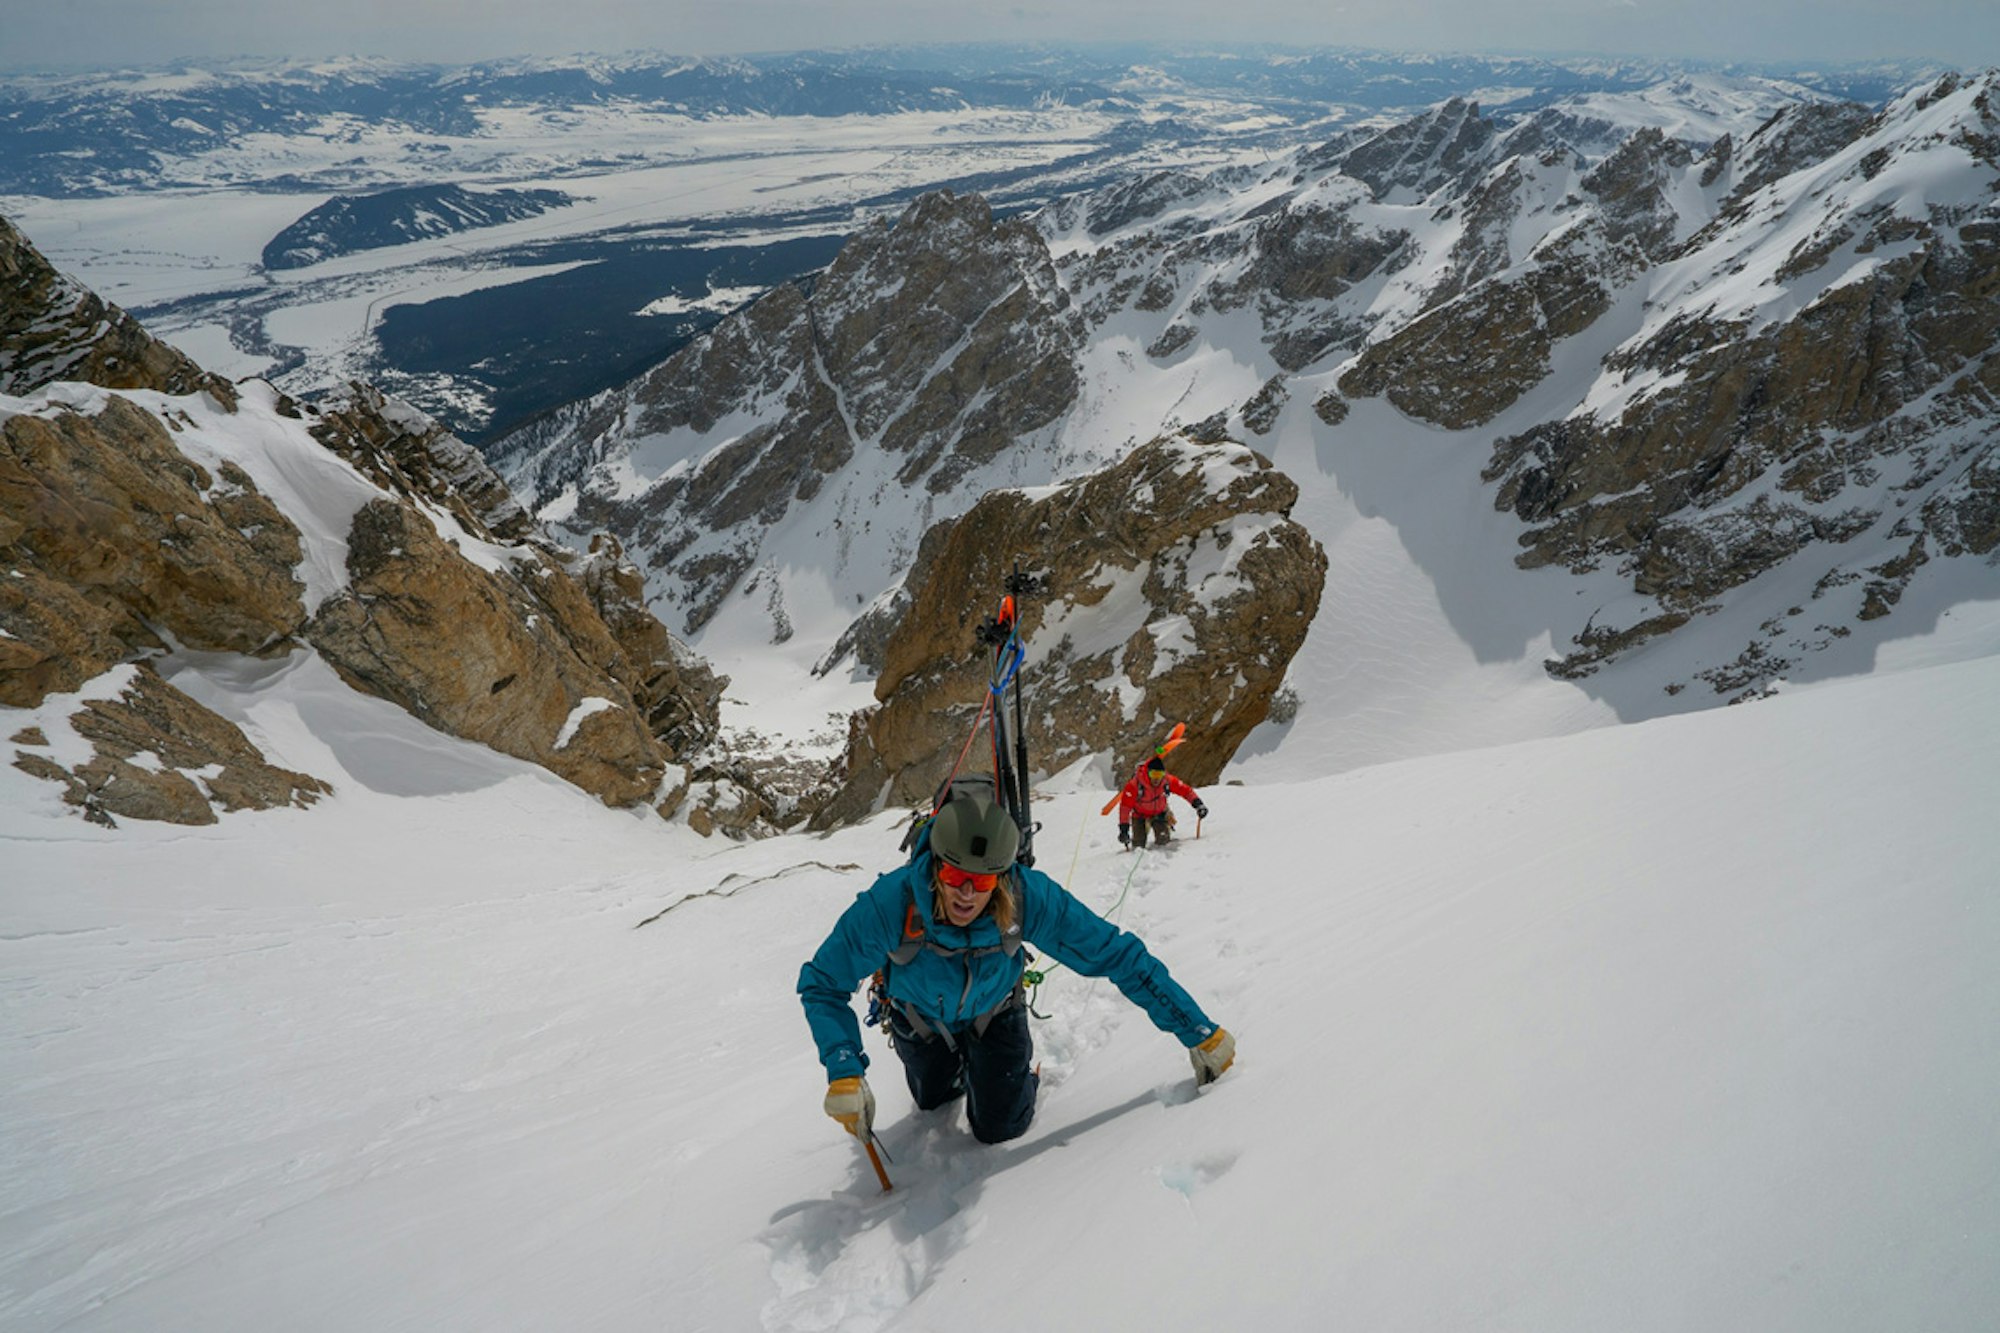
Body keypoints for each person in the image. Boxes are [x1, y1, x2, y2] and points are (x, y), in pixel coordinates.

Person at [799, 785, 1235, 1146]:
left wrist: (1196, 1029)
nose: (967, 894)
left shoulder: (1027, 897)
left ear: (1002, 877)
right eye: (954, 877)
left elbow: (1116, 954)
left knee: (1000, 1127)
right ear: (935, 867)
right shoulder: (891, 904)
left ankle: (1013, 1078)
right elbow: (823, 982)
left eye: (983, 881)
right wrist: (844, 1070)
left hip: (995, 1011)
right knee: (933, 1101)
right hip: (920, 1019)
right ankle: (964, 1072)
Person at [1117, 755, 1208, 849]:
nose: (1157, 778)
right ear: (1147, 773)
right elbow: (1125, 808)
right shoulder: (1134, 785)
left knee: (1163, 841)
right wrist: (1124, 830)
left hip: (1159, 813)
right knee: (1138, 845)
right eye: (1154, 774)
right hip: (1140, 815)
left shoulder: (1167, 781)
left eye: (1159, 774)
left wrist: (1198, 804)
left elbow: (1186, 791)